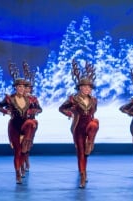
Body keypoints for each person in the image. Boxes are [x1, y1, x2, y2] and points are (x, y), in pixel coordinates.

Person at [59, 60, 99, 188]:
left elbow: (94, 111)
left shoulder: (93, 100)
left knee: (95, 123)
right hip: (78, 126)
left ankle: (91, 142)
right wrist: (71, 113)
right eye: (85, 87)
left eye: (89, 87)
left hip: (89, 125)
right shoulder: (73, 99)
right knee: (81, 152)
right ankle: (82, 174)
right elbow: (62, 108)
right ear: (80, 88)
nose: (87, 89)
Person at [0, 77, 38, 184]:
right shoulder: (10, 98)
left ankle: (27, 143)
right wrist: (6, 111)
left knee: (31, 124)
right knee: (17, 152)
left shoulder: (29, 99)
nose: (21, 88)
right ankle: (17, 173)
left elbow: (39, 108)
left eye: (23, 87)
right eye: (19, 86)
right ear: (15, 87)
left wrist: (31, 111)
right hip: (14, 126)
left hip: (24, 125)